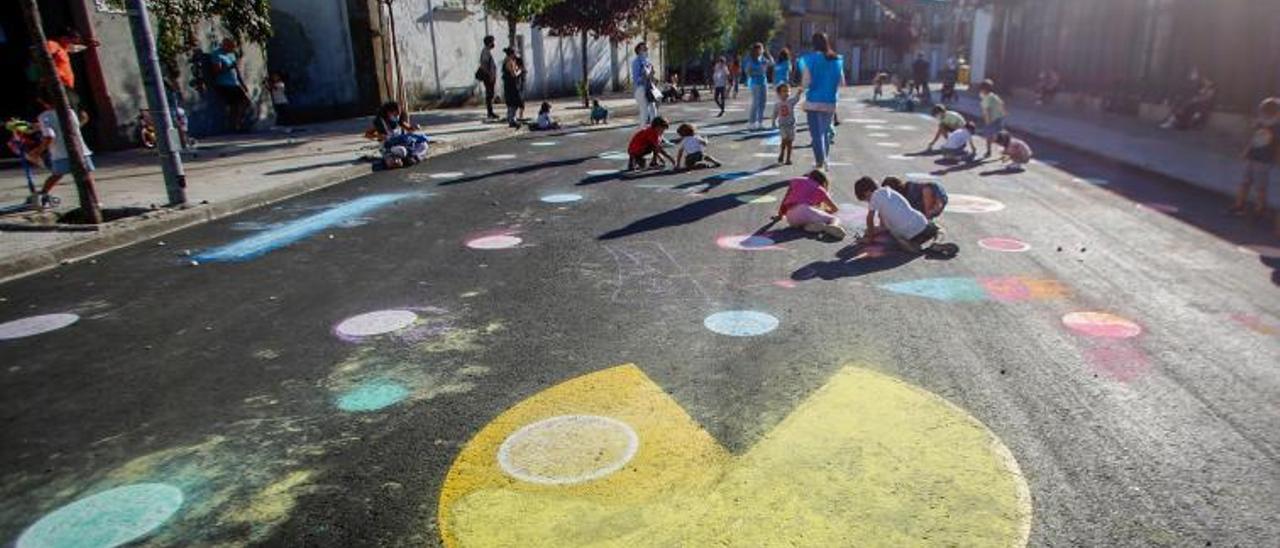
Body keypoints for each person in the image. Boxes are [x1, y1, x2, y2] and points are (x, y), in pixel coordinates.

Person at [30, 96, 93, 209]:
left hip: (60, 153)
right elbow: (83, 118)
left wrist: (37, 151)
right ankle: (93, 200)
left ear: (42, 101)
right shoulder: (70, 112)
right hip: (80, 150)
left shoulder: (44, 116)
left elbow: (49, 136)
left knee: (56, 175)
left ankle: (42, 197)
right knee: (86, 176)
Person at [855, 176, 940, 253]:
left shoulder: (874, 196)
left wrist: (869, 238)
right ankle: (936, 243)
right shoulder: (889, 192)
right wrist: (872, 231)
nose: (868, 202)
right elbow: (884, 226)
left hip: (907, 234)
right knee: (937, 229)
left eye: (866, 199)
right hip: (921, 224)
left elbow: (869, 219)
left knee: (892, 236)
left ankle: (904, 242)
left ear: (867, 193)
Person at [798, 32, 844, 170]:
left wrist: (801, 89)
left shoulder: (810, 59)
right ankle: (825, 161)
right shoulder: (836, 59)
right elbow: (841, 82)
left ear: (813, 44)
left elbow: (806, 81)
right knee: (825, 133)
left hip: (813, 102)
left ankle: (820, 163)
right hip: (830, 102)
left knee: (816, 135)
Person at [1230, 97, 1280, 217]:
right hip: (1253, 156)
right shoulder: (1260, 123)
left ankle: (1260, 209)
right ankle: (1239, 206)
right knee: (1245, 182)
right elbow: (1253, 139)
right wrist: (1246, 151)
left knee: (1260, 186)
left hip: (1264, 159)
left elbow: (1278, 144)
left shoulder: (1277, 126)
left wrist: (1277, 158)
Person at [773, 169, 847, 240]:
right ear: (823, 181)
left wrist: (780, 215)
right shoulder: (820, 189)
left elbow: (785, 199)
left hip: (791, 218)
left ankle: (811, 226)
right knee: (834, 218)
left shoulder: (796, 180)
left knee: (806, 223)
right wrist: (825, 212)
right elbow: (835, 209)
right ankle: (832, 226)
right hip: (805, 211)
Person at [211, 38, 251, 132]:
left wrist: (242, 83)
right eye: (231, 47)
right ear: (225, 45)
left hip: (234, 83)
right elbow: (216, 71)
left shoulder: (232, 54)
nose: (233, 49)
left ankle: (236, 124)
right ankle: (235, 125)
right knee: (238, 103)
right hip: (224, 84)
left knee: (244, 102)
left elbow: (237, 71)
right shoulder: (217, 54)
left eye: (234, 47)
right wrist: (229, 67)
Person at [881, 176, 947, 219]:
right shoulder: (905, 196)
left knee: (927, 192)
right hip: (927, 202)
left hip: (934, 193)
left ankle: (929, 215)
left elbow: (928, 189)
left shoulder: (911, 188)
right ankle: (928, 215)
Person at [743, 43, 773, 130]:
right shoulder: (751, 60)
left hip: (763, 82)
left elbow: (772, 63)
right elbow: (747, 72)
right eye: (760, 49)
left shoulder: (763, 59)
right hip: (755, 83)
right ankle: (751, 122)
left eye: (762, 49)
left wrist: (768, 53)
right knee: (756, 103)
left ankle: (760, 122)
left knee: (762, 103)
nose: (761, 51)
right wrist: (757, 72)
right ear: (756, 50)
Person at [772, 83, 802, 165]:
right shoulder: (777, 104)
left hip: (791, 125)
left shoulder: (790, 102)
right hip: (782, 125)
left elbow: (796, 99)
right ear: (779, 93)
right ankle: (782, 153)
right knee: (784, 139)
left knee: (790, 142)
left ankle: (788, 158)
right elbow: (775, 114)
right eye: (784, 91)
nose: (786, 93)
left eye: (788, 91)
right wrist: (773, 122)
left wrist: (799, 93)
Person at [631, 42, 658, 128]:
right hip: (640, 89)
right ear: (639, 51)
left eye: (647, 49)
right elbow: (636, 79)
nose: (647, 51)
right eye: (644, 49)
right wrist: (646, 76)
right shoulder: (636, 62)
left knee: (653, 110)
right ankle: (642, 131)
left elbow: (650, 76)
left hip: (649, 88)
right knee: (644, 111)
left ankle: (654, 132)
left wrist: (653, 78)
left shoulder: (647, 62)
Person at [977, 79, 1006, 158]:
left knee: (989, 136)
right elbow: (1002, 104)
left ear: (983, 89)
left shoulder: (987, 98)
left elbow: (987, 110)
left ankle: (989, 151)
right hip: (999, 118)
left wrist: (987, 121)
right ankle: (1005, 149)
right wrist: (1004, 113)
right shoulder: (994, 96)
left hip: (992, 120)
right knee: (998, 136)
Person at [477, 35, 499, 120]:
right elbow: (484, 66)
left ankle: (491, 112)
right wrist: (490, 75)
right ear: (489, 43)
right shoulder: (485, 52)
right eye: (492, 42)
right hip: (488, 77)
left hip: (490, 76)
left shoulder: (487, 51)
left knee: (490, 94)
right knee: (489, 94)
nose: (494, 43)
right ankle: (490, 113)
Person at [501, 48, 524, 128]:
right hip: (511, 85)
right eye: (514, 53)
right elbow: (513, 74)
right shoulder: (509, 61)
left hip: (510, 84)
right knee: (513, 102)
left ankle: (512, 119)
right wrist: (520, 71)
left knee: (513, 103)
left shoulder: (508, 61)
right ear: (511, 54)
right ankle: (512, 120)